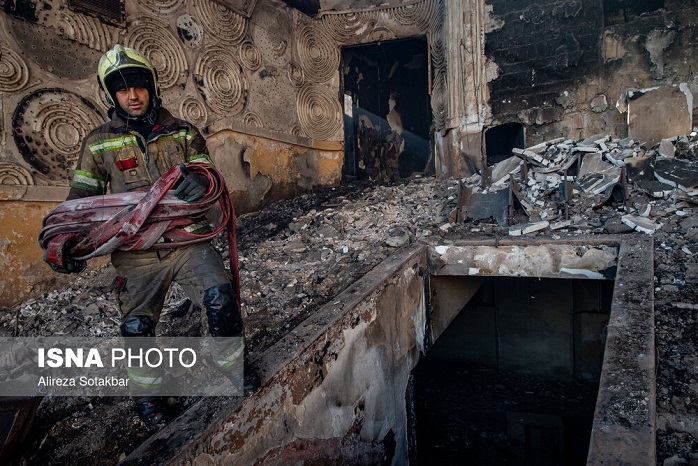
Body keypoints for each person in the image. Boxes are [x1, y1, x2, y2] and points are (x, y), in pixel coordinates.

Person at [45, 44, 256, 425]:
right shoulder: (98, 142)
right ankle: (149, 399)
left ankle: (233, 368)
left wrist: (200, 180)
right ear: (110, 94)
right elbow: (80, 200)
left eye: (139, 86)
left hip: (188, 240)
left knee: (220, 298)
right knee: (136, 328)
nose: (132, 95)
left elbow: (207, 174)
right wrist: (63, 241)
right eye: (122, 89)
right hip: (136, 252)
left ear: (152, 87)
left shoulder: (182, 132)